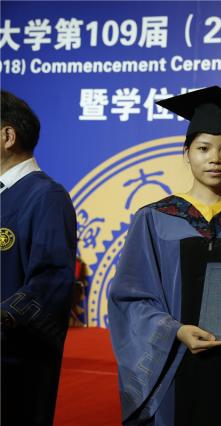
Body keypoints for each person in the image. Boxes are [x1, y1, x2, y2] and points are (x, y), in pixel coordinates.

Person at [108, 86, 221, 426]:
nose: (215, 159)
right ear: (186, 153)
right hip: (174, 363)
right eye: (203, 148)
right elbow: (130, 298)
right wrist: (175, 331)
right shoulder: (154, 218)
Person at [0, 90, 77, 426]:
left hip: (15, 361)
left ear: (7, 136)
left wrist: (5, 316)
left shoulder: (46, 196)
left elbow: (52, 279)